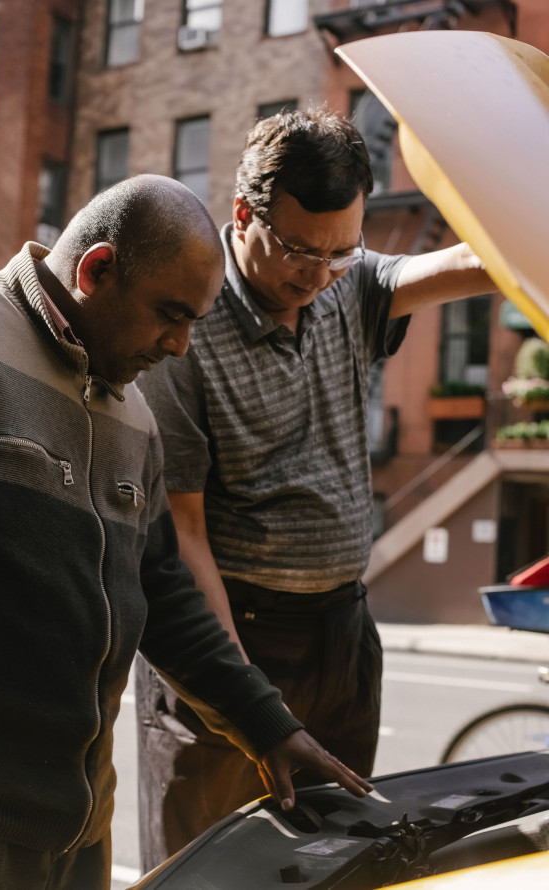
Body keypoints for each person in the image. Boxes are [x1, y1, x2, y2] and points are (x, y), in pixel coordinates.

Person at [0, 173, 373, 890]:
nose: (181, 346)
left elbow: (162, 593)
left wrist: (268, 725)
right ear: (96, 270)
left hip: (78, 841)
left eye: (195, 320)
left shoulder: (135, 416)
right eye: (170, 314)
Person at [136, 108, 497, 869]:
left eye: (343, 251)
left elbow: (481, 263)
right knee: (215, 871)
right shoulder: (185, 331)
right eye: (300, 250)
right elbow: (185, 535)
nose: (319, 274)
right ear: (244, 216)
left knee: (338, 866)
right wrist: (246, 706)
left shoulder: (344, 286)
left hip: (343, 633)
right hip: (237, 633)